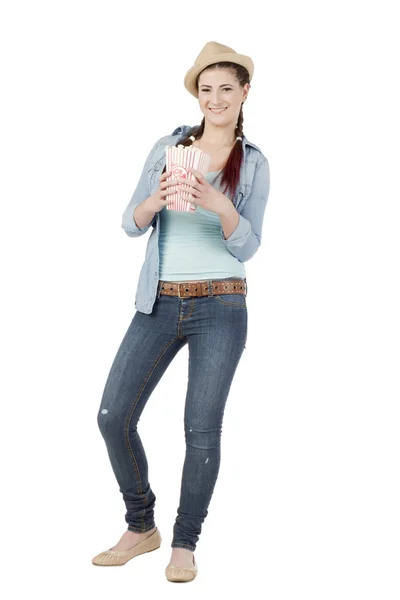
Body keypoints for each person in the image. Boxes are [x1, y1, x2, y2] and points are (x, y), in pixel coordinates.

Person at [92, 41, 270, 582]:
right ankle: (141, 524)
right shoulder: (168, 148)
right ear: (198, 96)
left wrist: (220, 207)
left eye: (226, 89)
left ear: (244, 93)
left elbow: (250, 246)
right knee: (112, 416)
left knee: (201, 429)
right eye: (206, 89)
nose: (215, 99)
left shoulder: (255, 162)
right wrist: (155, 200)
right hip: (160, 300)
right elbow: (130, 221)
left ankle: (184, 543)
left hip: (222, 302)